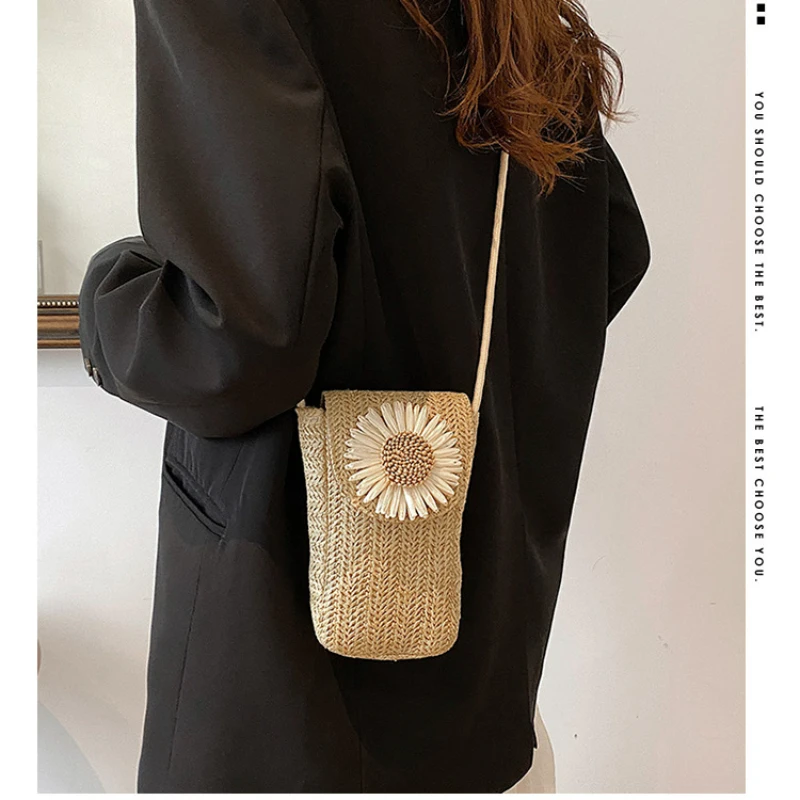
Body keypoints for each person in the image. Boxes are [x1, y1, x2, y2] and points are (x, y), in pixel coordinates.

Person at [78, 0, 650, 792]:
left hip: (285, 709)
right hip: (492, 711)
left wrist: (108, 304)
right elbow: (612, 252)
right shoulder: (521, 20)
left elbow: (241, 342)